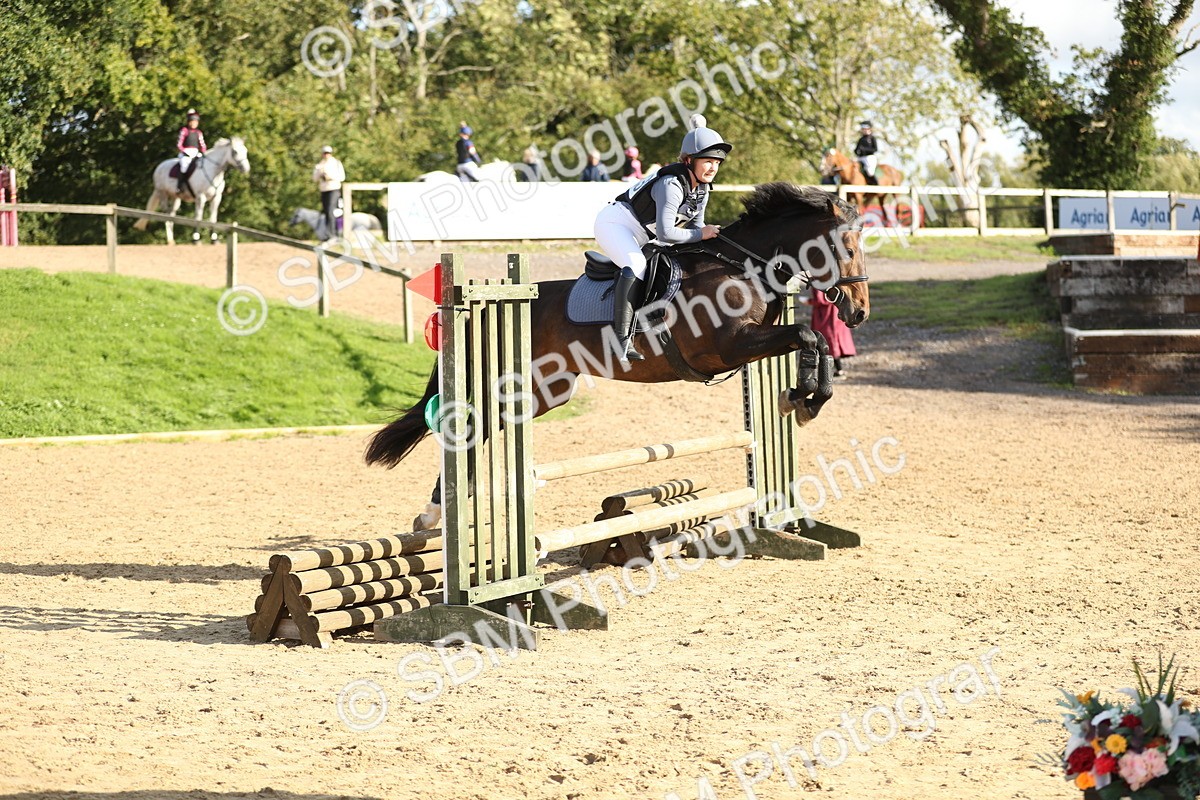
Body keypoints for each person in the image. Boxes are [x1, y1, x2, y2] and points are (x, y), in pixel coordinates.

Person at [593, 114, 731, 364]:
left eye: (717, 163)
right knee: (636, 264)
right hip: (615, 223)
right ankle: (620, 340)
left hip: (645, 233)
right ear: (689, 160)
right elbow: (668, 233)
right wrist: (702, 233)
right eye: (707, 161)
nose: (713, 168)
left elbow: (696, 229)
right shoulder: (671, 185)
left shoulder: (701, 189)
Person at [808, 287, 856, 377]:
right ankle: (838, 369)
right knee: (834, 340)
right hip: (835, 311)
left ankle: (827, 372)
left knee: (826, 340)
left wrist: (809, 301)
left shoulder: (818, 282)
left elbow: (820, 300)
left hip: (825, 315)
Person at [312, 145, 346, 240]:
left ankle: (333, 234)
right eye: (325, 153)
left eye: (328, 153)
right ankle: (328, 234)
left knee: (331, 211)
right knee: (326, 212)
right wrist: (320, 173)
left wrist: (330, 176)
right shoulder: (320, 165)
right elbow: (314, 178)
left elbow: (342, 177)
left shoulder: (336, 163)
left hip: (333, 189)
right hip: (324, 190)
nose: (326, 155)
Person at [176, 109, 207, 195]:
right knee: (184, 166)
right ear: (189, 122)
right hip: (185, 154)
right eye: (192, 121)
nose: (194, 123)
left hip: (196, 154)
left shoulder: (198, 133)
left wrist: (203, 152)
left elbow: (202, 145)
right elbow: (179, 144)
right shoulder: (184, 130)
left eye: (196, 122)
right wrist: (184, 151)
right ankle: (180, 186)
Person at [855, 121, 879, 185]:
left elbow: (875, 149)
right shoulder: (861, 139)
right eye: (863, 129)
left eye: (865, 129)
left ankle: (875, 184)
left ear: (869, 129)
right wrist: (857, 151)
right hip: (860, 157)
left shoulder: (872, 138)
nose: (864, 130)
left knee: (870, 172)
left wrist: (864, 149)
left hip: (869, 157)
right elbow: (856, 149)